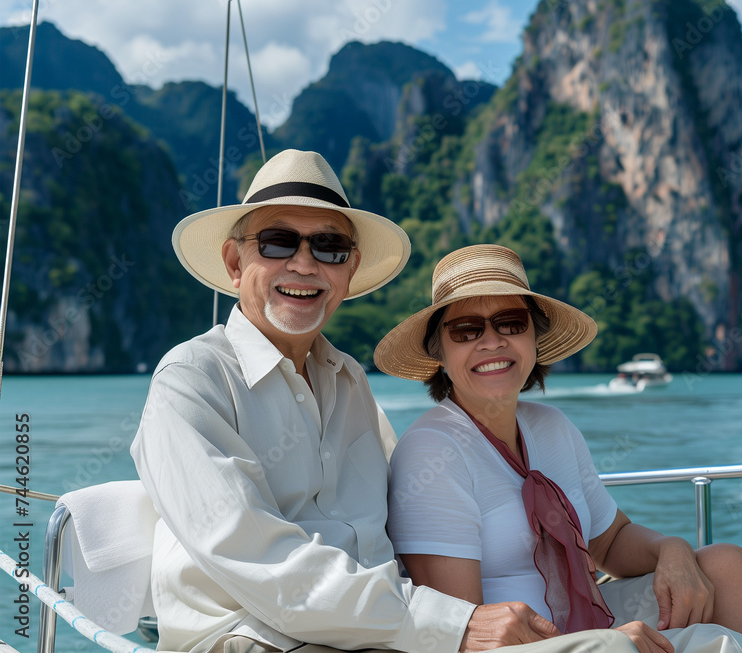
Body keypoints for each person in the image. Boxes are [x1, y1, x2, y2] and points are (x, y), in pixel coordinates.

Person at [130, 150, 647, 653]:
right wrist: (453, 622)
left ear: (349, 269)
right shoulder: (194, 380)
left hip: (379, 632)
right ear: (234, 262)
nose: (305, 263)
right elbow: (262, 565)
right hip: (257, 636)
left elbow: (394, 533)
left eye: (329, 247)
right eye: (278, 242)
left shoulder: (347, 380)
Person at [374, 245, 742, 653]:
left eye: (511, 323)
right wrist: (599, 645)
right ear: (440, 354)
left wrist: (672, 550)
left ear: (534, 339)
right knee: (715, 646)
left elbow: (609, 543)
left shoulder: (550, 427)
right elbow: (468, 630)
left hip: (588, 627)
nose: (492, 342)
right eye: (466, 330)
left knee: (727, 566)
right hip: (526, 646)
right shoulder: (432, 452)